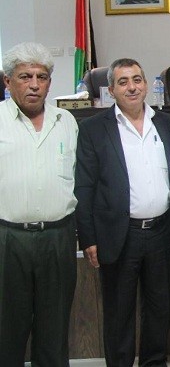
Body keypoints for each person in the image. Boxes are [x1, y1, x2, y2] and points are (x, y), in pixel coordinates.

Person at [75, 58, 170, 366]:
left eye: (137, 79)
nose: (132, 87)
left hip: (161, 231)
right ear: (111, 90)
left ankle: (153, 362)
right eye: (123, 82)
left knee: (159, 306)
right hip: (120, 234)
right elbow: (84, 186)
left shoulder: (167, 123)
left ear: (146, 84)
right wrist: (88, 237)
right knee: (119, 310)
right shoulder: (94, 129)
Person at [0, 42, 79, 366]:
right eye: (25, 77)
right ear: (8, 81)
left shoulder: (66, 121)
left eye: (41, 77)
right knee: (7, 328)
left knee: (55, 327)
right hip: (8, 239)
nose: (34, 84)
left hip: (58, 238)